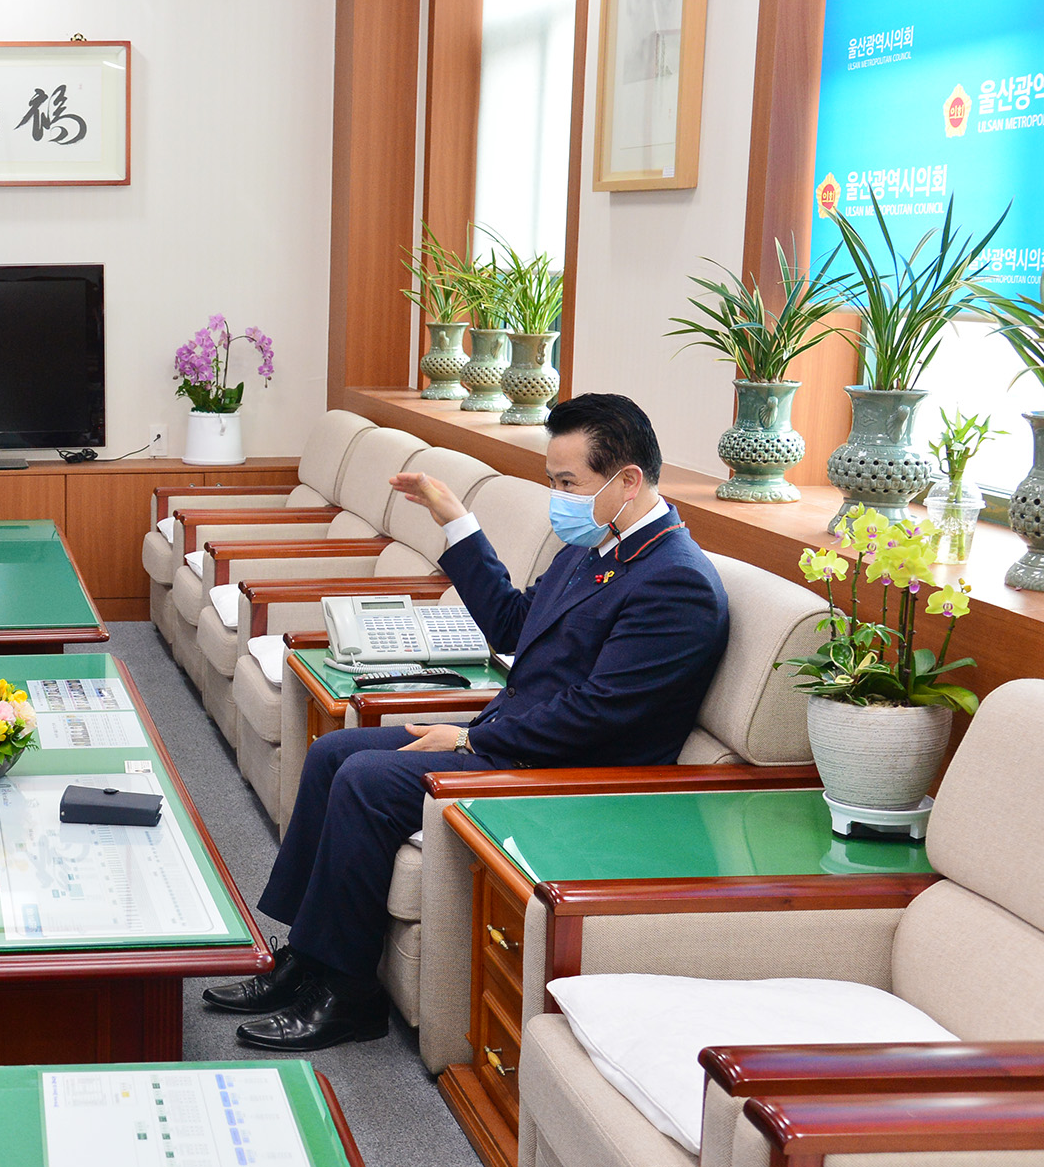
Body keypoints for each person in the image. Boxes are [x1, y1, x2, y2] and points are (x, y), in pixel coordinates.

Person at [205, 393, 729, 1051]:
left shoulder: (676, 583)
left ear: (627, 480)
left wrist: (473, 736)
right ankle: (307, 960)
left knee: (368, 781)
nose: (557, 498)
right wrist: (456, 523)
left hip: (566, 772)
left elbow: (602, 712)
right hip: (518, 740)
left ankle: (348, 994)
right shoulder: (596, 545)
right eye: (552, 481)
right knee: (333, 754)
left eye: (568, 483)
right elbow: (513, 626)